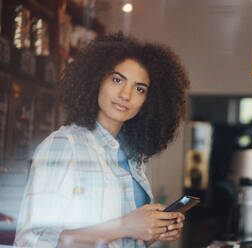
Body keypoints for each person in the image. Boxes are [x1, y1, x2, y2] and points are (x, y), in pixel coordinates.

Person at [14, 33, 190, 248]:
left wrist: (153, 231)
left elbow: (120, 241)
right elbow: (31, 241)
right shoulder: (64, 145)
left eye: (139, 89)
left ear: (149, 101)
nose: (126, 94)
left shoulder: (133, 159)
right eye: (117, 80)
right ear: (96, 80)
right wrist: (125, 226)